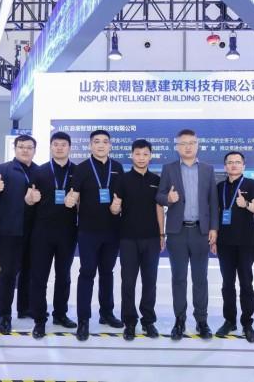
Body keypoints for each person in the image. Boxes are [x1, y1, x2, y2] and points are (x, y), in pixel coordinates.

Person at [156, 129, 219, 341]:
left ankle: (202, 321)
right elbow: (159, 196)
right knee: (179, 278)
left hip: (201, 232)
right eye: (183, 143)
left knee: (200, 278)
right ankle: (179, 320)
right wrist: (168, 198)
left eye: (191, 142)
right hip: (177, 232)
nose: (188, 147)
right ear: (177, 147)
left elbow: (213, 202)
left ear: (197, 145)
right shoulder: (169, 169)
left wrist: (213, 228)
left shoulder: (207, 170)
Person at [69, 130, 125, 341]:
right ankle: (83, 320)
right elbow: (74, 196)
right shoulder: (82, 168)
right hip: (88, 231)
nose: (101, 145)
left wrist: (119, 207)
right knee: (87, 272)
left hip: (112, 230)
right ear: (90, 145)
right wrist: (70, 200)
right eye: (96, 141)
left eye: (105, 142)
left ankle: (106, 313)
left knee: (107, 273)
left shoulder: (117, 167)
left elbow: (122, 198)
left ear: (110, 145)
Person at [110, 139, 165, 341]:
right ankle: (130, 322)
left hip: (151, 238)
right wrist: (114, 208)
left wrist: (161, 234)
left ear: (151, 156)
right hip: (128, 239)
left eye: (145, 154)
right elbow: (114, 208)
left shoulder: (156, 180)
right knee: (128, 282)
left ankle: (148, 321)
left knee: (150, 282)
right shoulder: (122, 180)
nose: (141, 158)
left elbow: (159, 208)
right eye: (138, 154)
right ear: (132, 155)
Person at [0, 134, 39, 335]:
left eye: (29, 147)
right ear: (15, 149)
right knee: (8, 274)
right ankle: (5, 316)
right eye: (21, 146)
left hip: (34, 231)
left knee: (29, 271)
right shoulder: (4, 169)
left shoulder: (39, 171)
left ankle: (25, 308)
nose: (25, 150)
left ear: (34, 150)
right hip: (10, 231)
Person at [29, 132, 78, 339]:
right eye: (55, 144)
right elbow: (29, 199)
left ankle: (60, 314)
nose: (59, 148)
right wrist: (30, 198)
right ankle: (39, 319)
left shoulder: (77, 171)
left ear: (69, 147)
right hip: (42, 231)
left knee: (63, 276)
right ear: (50, 147)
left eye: (63, 144)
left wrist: (77, 201)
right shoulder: (39, 171)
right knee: (39, 277)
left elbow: (85, 200)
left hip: (68, 231)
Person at [215, 151, 254, 343]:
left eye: (237, 162)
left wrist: (246, 203)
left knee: (246, 283)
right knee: (227, 284)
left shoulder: (251, 184)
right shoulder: (219, 187)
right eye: (230, 162)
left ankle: (247, 323)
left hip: (245, 242)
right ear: (225, 166)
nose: (233, 165)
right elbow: (215, 212)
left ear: (243, 165)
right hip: (224, 242)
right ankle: (229, 321)